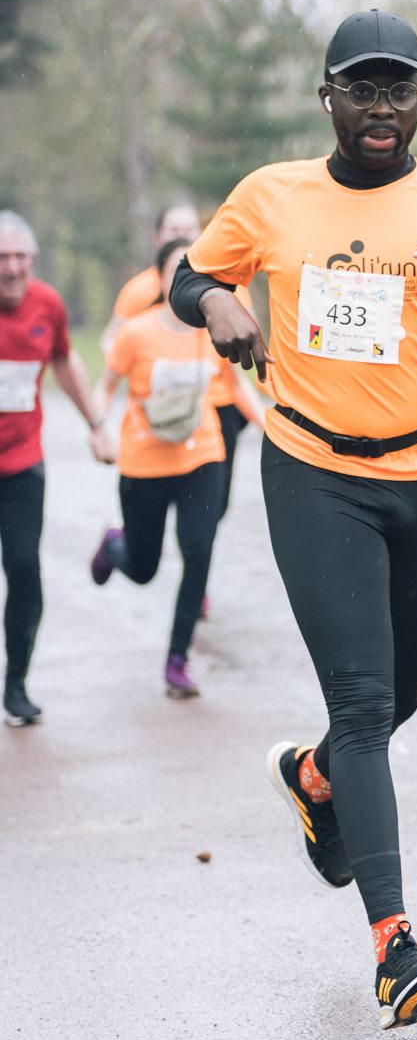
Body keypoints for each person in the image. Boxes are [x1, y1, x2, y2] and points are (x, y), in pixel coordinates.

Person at [170, 9, 417, 1029]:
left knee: (397, 699)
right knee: (365, 706)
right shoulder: (272, 195)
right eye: (361, 88)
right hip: (313, 471)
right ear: (326, 97)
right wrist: (214, 303)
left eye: (399, 89)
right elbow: (190, 274)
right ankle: (396, 947)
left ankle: (312, 777)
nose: (381, 108)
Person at [89, 239, 254, 698]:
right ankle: (115, 547)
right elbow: (105, 387)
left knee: (198, 552)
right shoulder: (136, 333)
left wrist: (273, 426)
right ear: (161, 278)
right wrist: (98, 428)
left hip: (202, 456)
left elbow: (237, 387)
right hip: (144, 462)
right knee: (143, 568)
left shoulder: (215, 330)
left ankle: (177, 660)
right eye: (178, 269)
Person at [0, 210, 115, 726]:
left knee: (24, 568)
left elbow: (65, 360)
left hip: (21, 464)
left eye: (19, 256)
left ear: (33, 258)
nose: (11, 267)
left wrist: (95, 422)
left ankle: (16, 683)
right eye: (2, 257)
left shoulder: (47, 305)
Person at [99, 202, 202, 355]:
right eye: (174, 230)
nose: (181, 235)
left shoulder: (223, 284)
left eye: (189, 230)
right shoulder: (139, 289)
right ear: (158, 236)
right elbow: (110, 339)